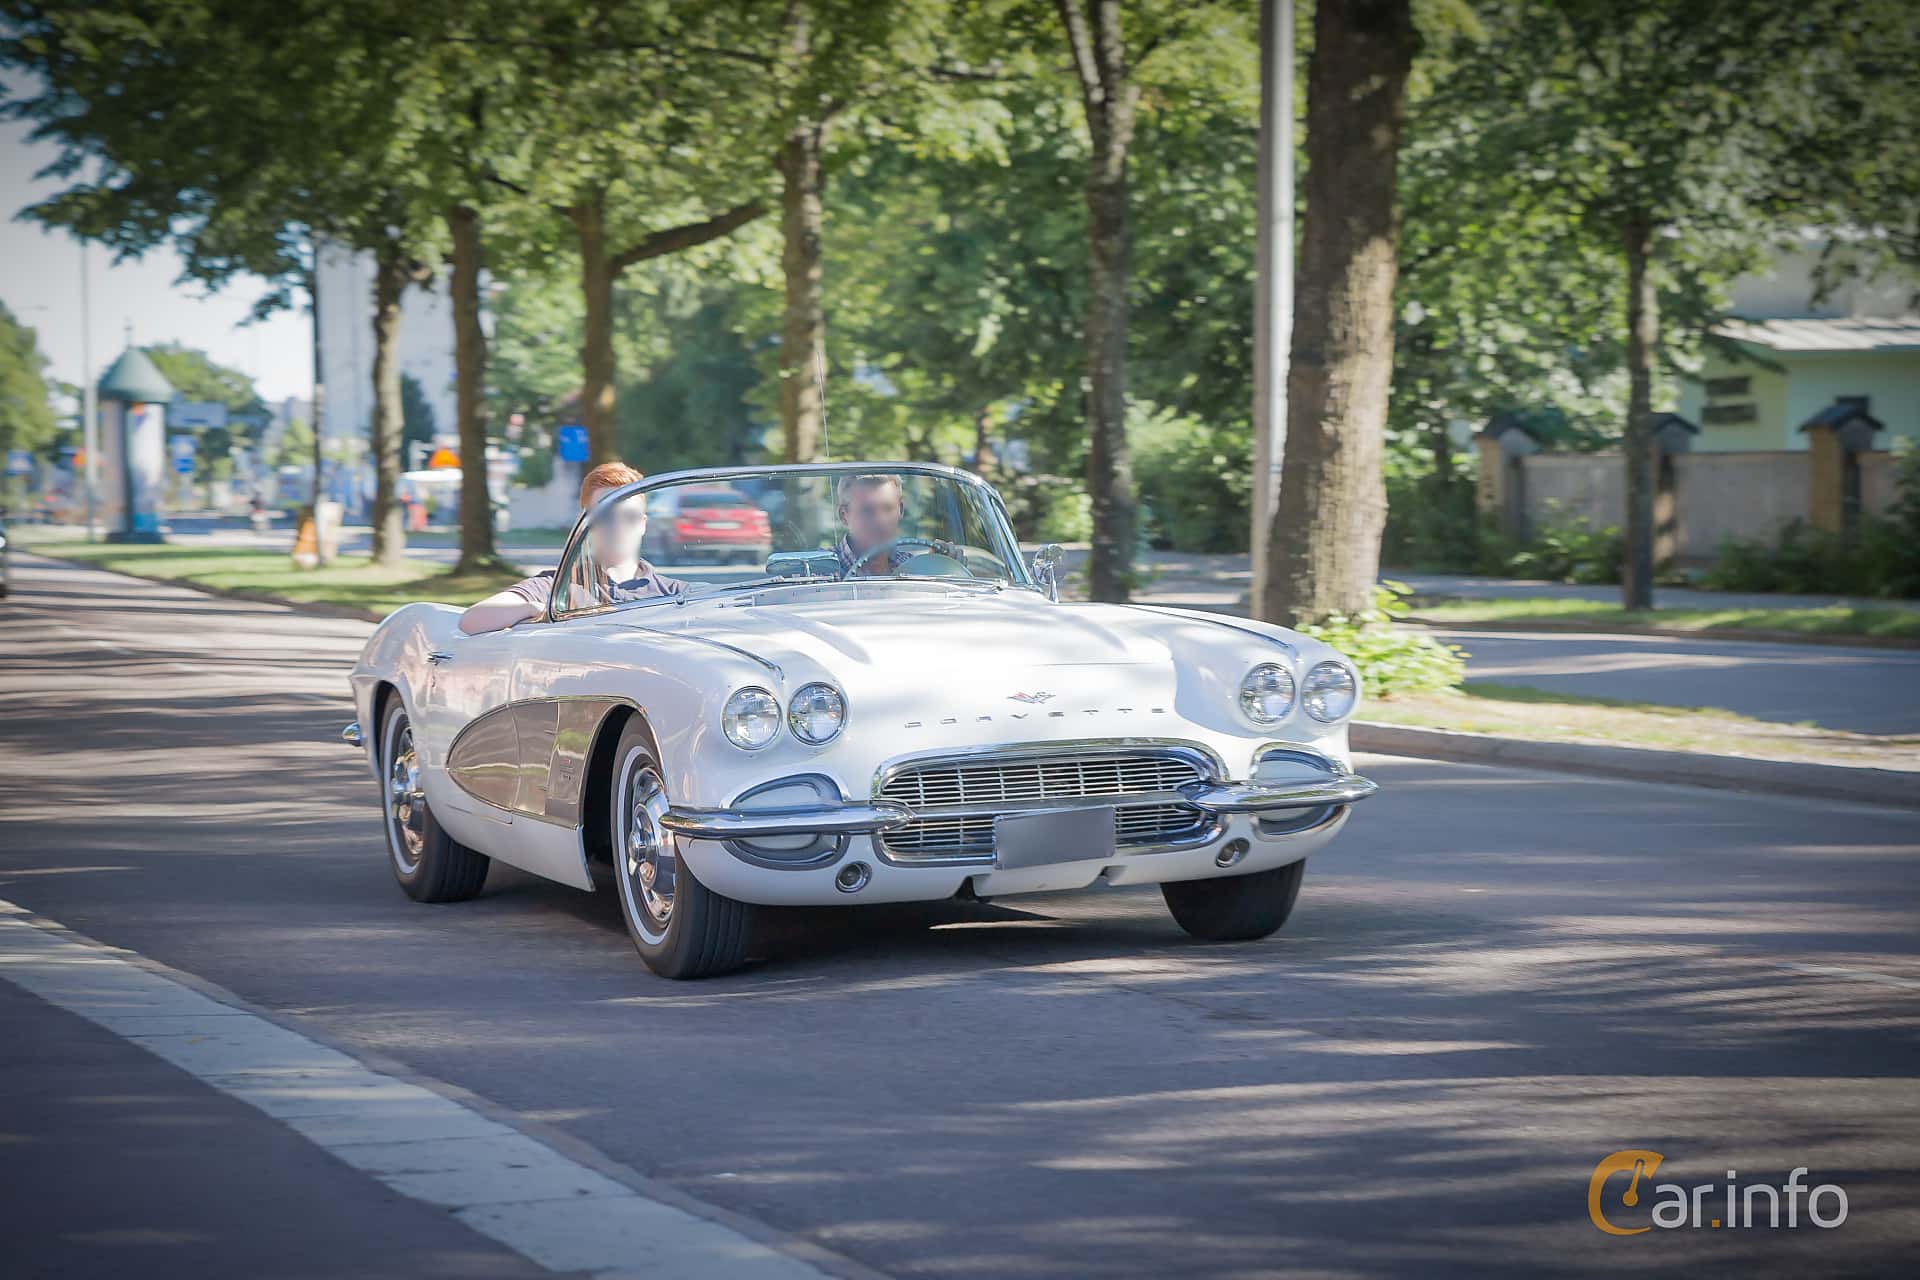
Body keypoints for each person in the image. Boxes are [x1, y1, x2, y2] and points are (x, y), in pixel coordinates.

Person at [459, 461, 682, 634]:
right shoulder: (556, 587)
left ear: (642, 524)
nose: (618, 526)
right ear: (585, 523)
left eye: (629, 517)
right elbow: (472, 620)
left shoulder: (674, 593)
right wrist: (537, 610)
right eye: (606, 516)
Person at [833, 472, 918, 577]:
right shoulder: (819, 573)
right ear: (844, 515)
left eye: (888, 508)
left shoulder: (911, 567)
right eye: (867, 510)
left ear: (900, 509)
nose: (880, 520)